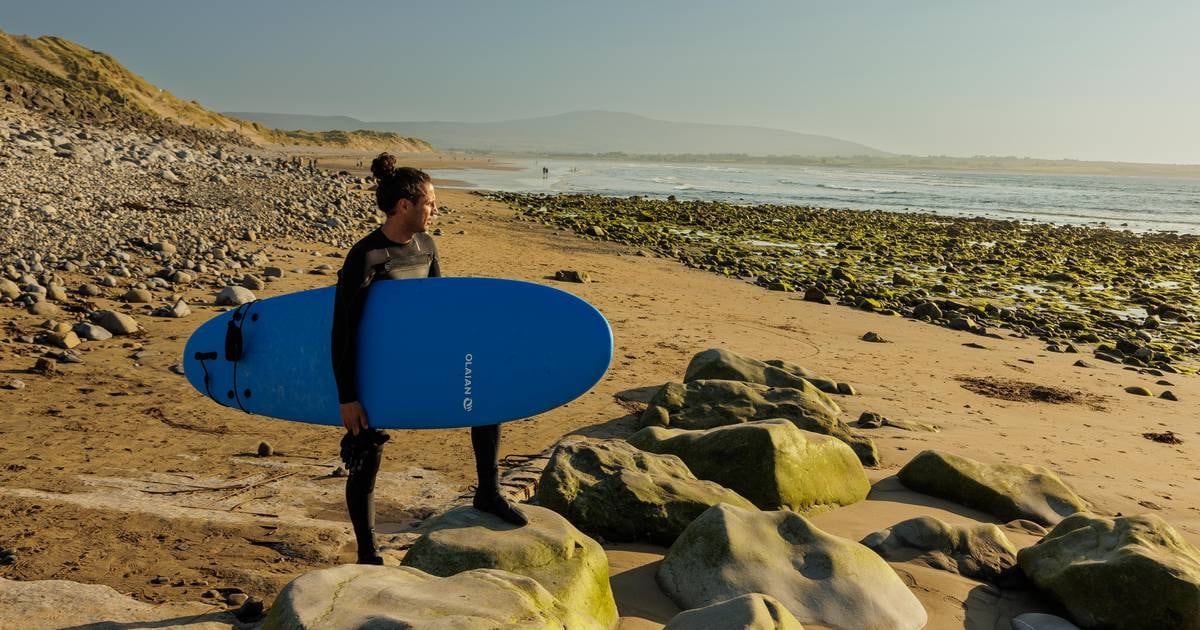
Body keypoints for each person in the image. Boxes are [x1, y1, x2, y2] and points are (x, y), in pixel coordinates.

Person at [330, 153, 527, 565]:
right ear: (405, 206)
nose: (435, 209)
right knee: (366, 450)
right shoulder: (366, 256)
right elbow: (343, 329)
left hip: (422, 362)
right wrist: (348, 396)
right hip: (379, 371)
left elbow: (435, 308)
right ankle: (367, 552)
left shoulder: (426, 245)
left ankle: (487, 491)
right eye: (430, 202)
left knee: (487, 395)